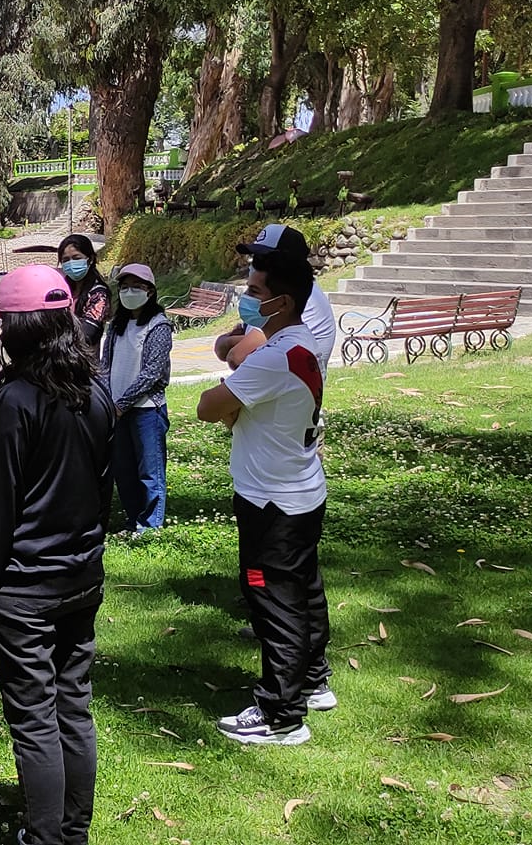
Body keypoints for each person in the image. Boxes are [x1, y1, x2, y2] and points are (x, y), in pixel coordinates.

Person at [0, 264, 115, 845]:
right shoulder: (98, 388)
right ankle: (73, 832)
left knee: (34, 720)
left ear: (17, 329)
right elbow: (105, 488)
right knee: (74, 705)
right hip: (81, 576)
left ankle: (45, 836)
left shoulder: (17, 399)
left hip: (24, 589)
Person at [196, 244, 332, 746]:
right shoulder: (303, 344)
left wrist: (233, 391)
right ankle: (312, 681)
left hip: (271, 502)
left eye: (254, 293)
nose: (245, 301)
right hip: (296, 491)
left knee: (270, 595)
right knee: (302, 591)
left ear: (284, 302)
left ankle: (281, 713)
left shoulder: (275, 359)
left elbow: (210, 406)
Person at [102, 264, 172, 533]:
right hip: (117, 409)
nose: (130, 292)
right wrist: (109, 400)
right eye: (125, 286)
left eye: (137, 286)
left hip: (146, 410)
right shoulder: (116, 326)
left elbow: (152, 373)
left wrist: (122, 403)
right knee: (125, 469)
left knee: (150, 469)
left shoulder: (159, 325)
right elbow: (105, 364)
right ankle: (133, 519)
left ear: (150, 291)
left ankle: (150, 525)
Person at [216, 224, 337, 375]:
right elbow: (230, 352)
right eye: (255, 257)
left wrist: (226, 340)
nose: (256, 264)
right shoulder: (279, 292)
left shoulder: (289, 295)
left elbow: (237, 357)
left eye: (265, 259)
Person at [56, 234, 109, 349]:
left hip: (83, 362)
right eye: (65, 260)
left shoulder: (98, 294)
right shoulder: (61, 291)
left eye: (76, 258)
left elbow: (87, 334)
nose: (71, 263)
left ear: (90, 259)